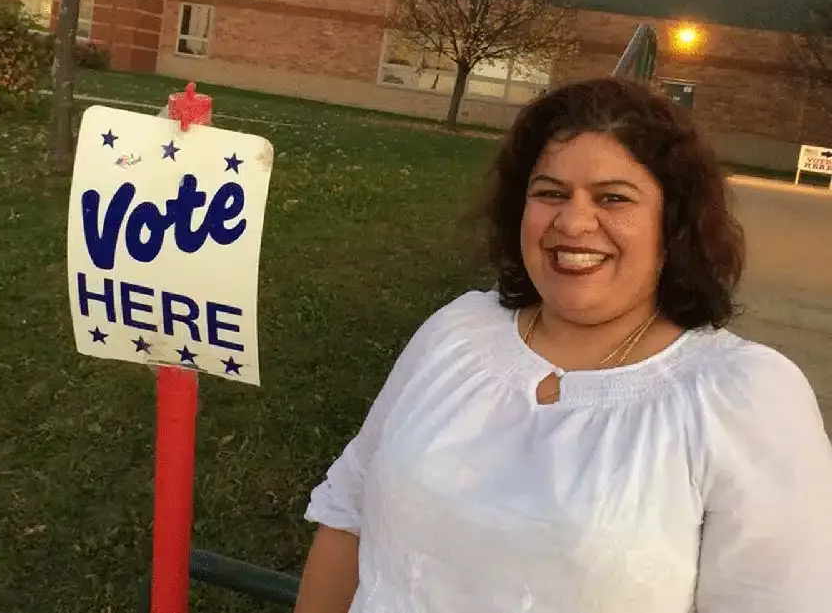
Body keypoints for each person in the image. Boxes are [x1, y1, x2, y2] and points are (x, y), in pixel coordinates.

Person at [293, 77, 832, 613]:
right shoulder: (457, 331)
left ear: (672, 226)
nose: (573, 222)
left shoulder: (744, 399)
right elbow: (350, 512)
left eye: (613, 198)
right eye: (550, 193)